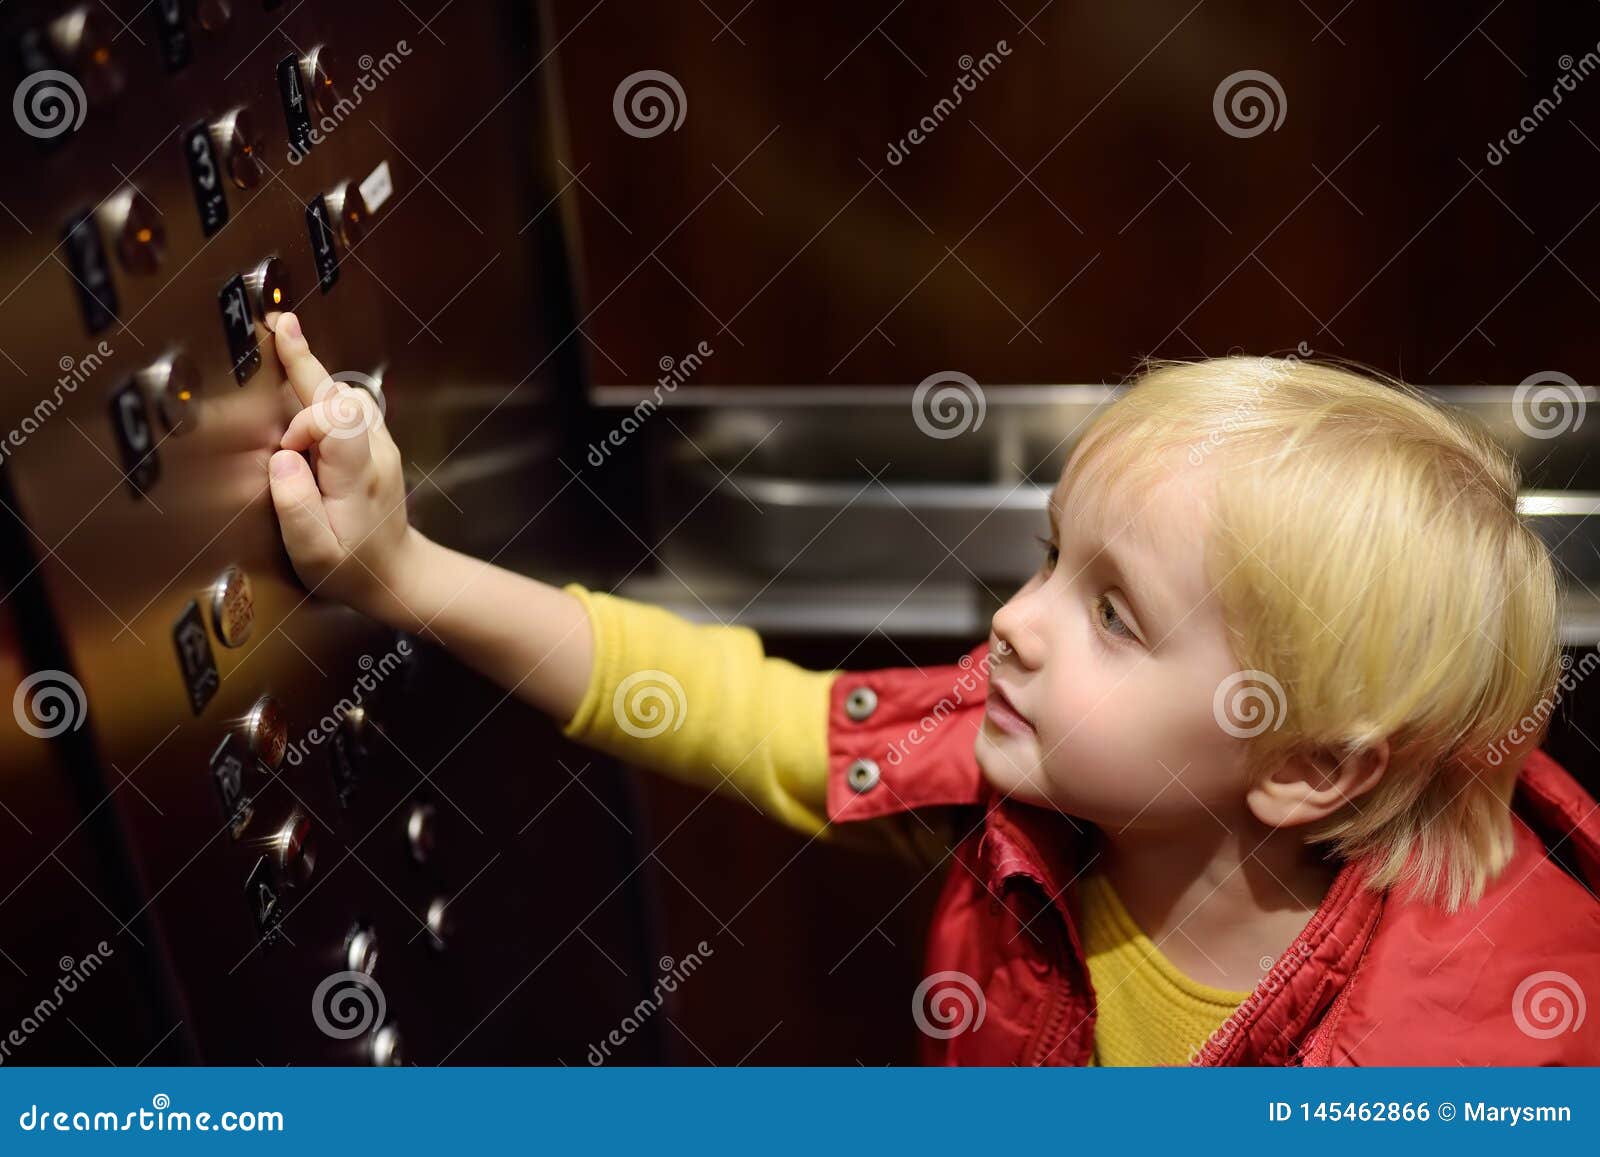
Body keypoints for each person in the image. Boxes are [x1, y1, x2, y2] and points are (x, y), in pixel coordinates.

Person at [264, 311, 1600, 1065]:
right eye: (1049, 561)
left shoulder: (1488, 1051)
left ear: (1305, 762)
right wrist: (404, 572)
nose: (1014, 623)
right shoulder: (1034, 768)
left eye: (1115, 613)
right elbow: (733, 704)